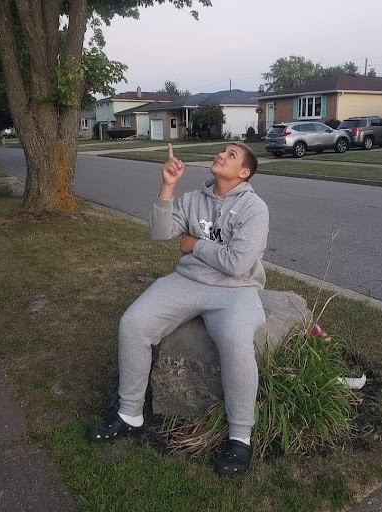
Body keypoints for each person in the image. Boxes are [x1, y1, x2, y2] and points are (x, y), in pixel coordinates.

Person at [87, 142, 270, 475]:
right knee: (134, 323)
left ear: (244, 172)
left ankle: (240, 437)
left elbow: (237, 264)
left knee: (235, 340)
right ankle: (130, 414)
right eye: (222, 150)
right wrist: (168, 186)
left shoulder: (254, 209)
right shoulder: (193, 200)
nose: (221, 155)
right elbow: (159, 234)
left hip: (235, 291)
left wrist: (194, 244)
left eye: (231, 155)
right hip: (187, 281)